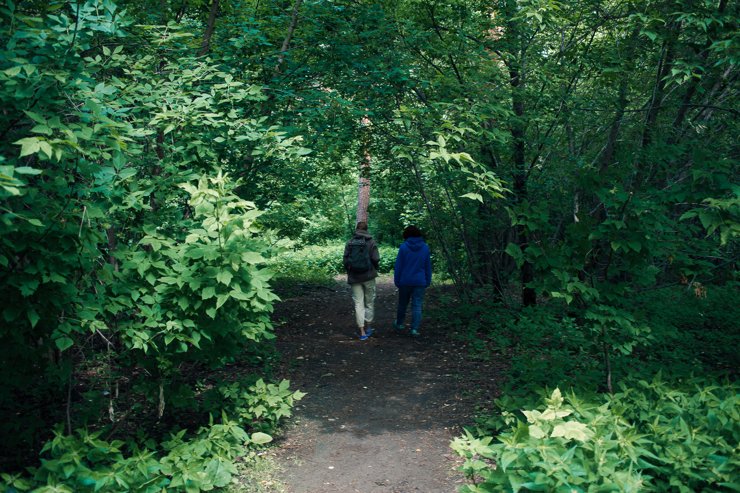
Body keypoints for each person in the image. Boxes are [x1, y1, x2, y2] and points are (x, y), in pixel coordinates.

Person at [343, 221, 380, 340]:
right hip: (369, 276)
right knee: (369, 302)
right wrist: (374, 268)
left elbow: (345, 260)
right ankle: (369, 327)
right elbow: (376, 258)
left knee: (358, 303)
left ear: (356, 229)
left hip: (354, 277)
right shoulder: (371, 242)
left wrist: (350, 271)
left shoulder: (350, 242)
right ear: (366, 230)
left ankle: (362, 331)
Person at [393, 225, 432, 337]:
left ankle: (400, 324)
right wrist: (427, 280)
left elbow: (398, 266)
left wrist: (397, 280)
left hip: (405, 281)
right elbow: (427, 266)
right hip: (420, 281)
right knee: (417, 305)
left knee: (402, 304)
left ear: (406, 235)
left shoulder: (404, 247)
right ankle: (414, 329)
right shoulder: (425, 247)